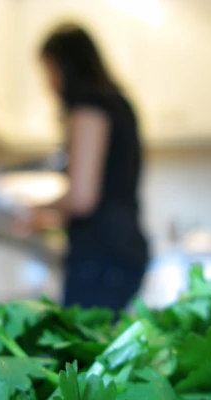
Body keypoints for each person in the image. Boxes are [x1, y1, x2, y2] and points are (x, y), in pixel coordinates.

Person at [27, 24, 149, 312]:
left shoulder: (89, 106)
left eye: (50, 72)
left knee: (84, 346)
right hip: (120, 249)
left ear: (66, 67)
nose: (50, 84)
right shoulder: (117, 104)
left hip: (103, 254)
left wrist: (35, 211)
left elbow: (82, 197)